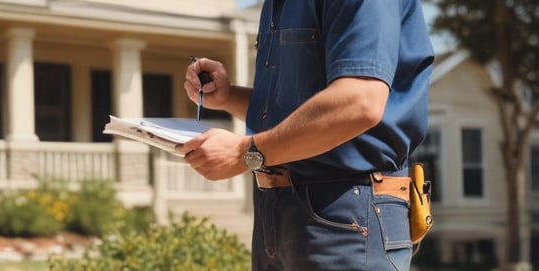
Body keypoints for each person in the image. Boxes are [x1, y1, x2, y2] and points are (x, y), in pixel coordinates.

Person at [177, 0, 434, 270]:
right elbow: (297, 111)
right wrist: (229, 97)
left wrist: (247, 152)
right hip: (281, 213)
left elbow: (360, 102)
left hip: (348, 213)